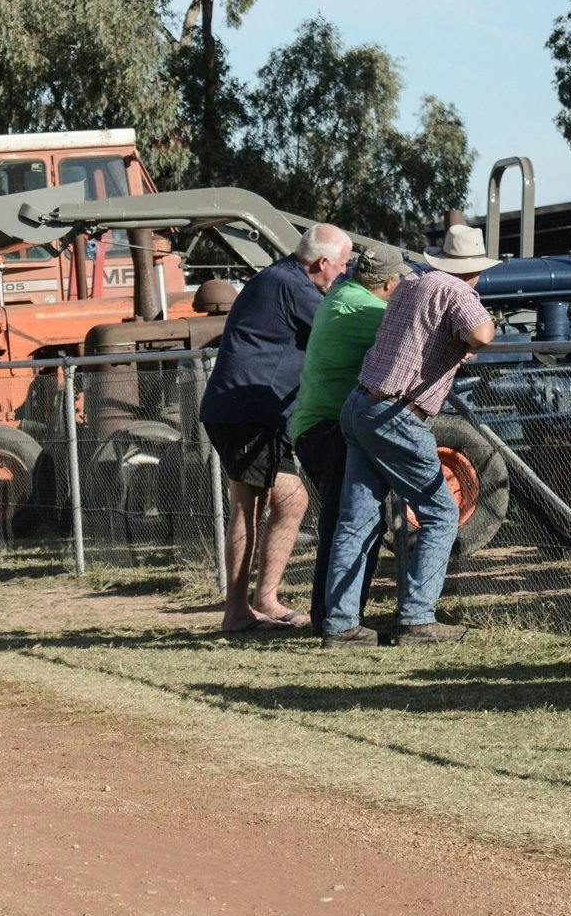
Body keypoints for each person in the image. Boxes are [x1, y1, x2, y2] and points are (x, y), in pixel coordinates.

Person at [321, 221, 499, 647]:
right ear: (475, 268)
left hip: (362, 403)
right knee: (440, 513)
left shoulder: (414, 282)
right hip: (397, 412)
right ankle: (418, 619)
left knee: (358, 519)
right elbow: (481, 333)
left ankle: (341, 625)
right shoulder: (456, 290)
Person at [200, 221, 354, 634]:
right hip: (250, 412)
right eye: (342, 266)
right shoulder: (294, 287)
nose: (344, 273)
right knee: (250, 505)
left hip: (248, 411)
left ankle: (263, 598)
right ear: (322, 262)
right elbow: (339, 329)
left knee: (289, 501)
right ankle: (236, 612)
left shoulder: (276, 278)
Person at [290, 244, 407, 634]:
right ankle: (335, 619)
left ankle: (335, 615)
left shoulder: (342, 293)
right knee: (351, 523)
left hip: (319, 426)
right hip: (329, 428)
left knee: (346, 522)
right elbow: (412, 336)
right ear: (390, 282)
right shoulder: (366, 310)